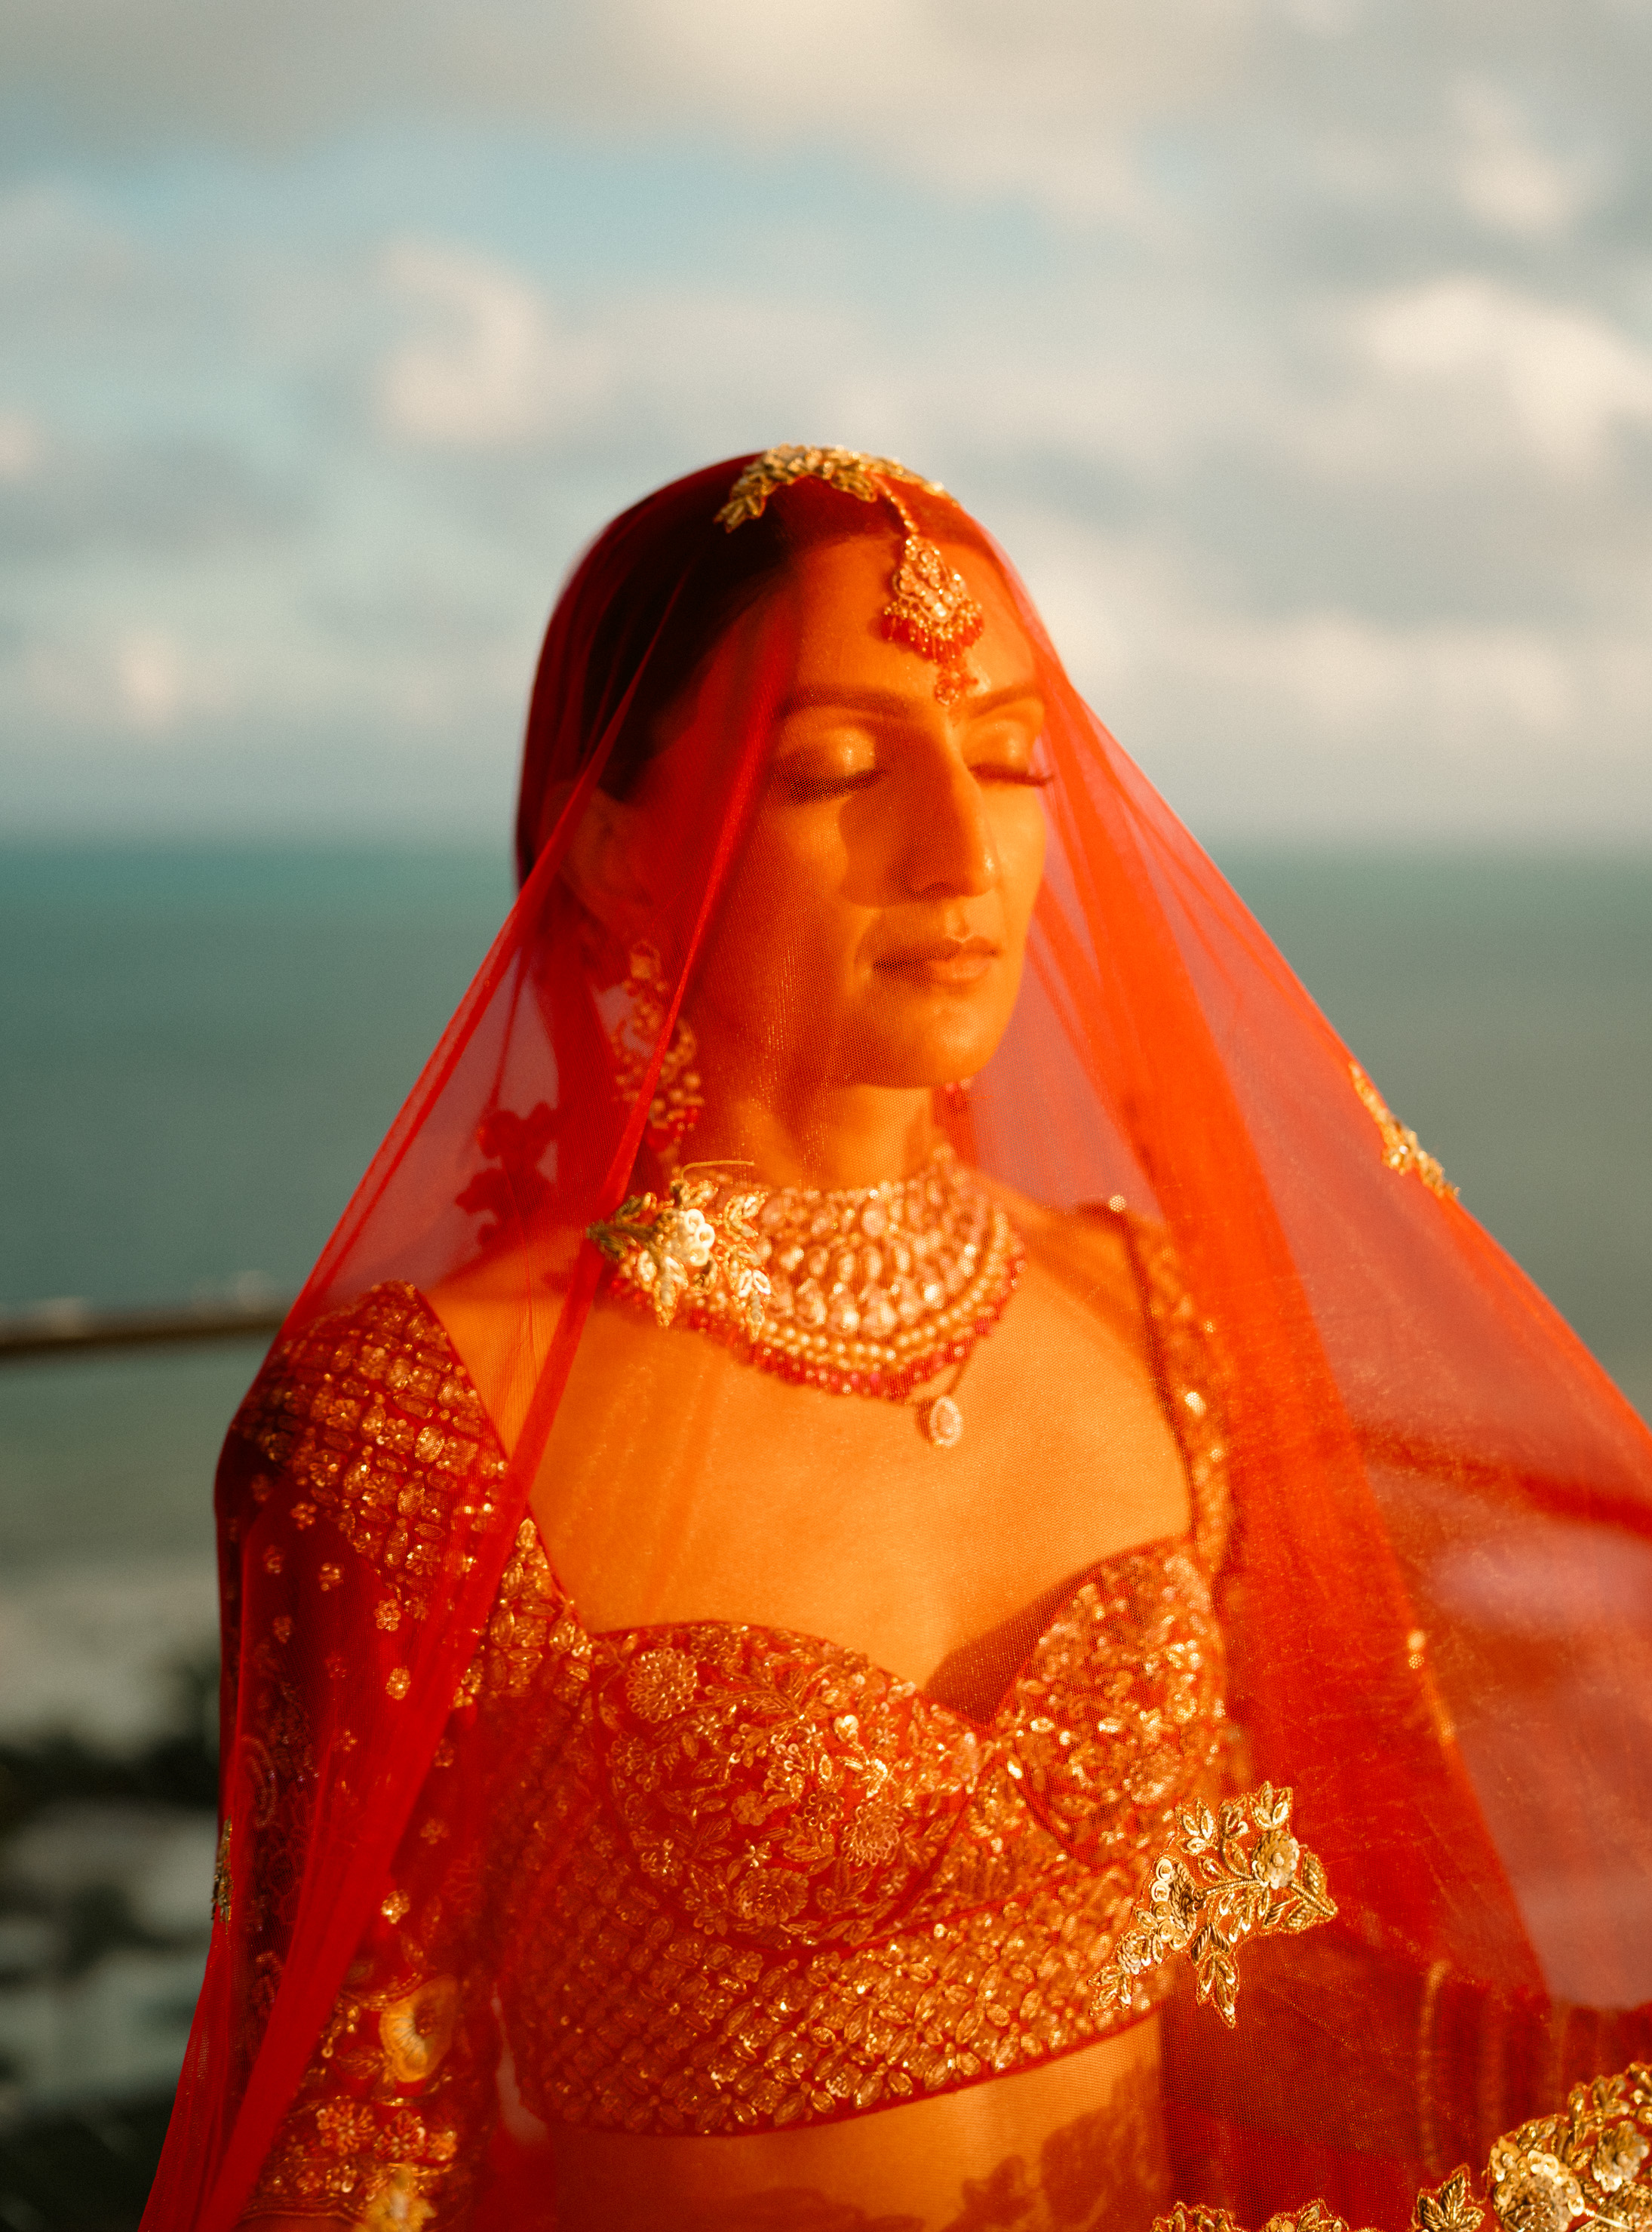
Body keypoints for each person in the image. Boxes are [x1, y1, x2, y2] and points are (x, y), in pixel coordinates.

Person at [143, 450, 1652, 2232]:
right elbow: (349, 2140)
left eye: (1013, 760)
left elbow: (1199, 1964)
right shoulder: (416, 1430)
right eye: (839, 769)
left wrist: (1566, 2077)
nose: (964, 850)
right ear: (612, 847)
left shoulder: (1147, 1318)